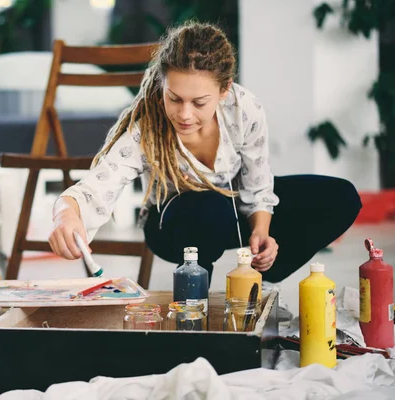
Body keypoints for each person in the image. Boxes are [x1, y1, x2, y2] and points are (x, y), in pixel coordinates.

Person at [48, 21, 362, 320]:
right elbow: (96, 186)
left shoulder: (244, 108)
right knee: (208, 206)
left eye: (199, 102)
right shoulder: (146, 126)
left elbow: (258, 182)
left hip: (232, 208)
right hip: (175, 223)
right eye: (174, 98)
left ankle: (263, 290)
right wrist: (67, 215)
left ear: (224, 89)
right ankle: (191, 308)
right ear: (163, 85)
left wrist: (262, 231)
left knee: (340, 196)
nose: (184, 114)